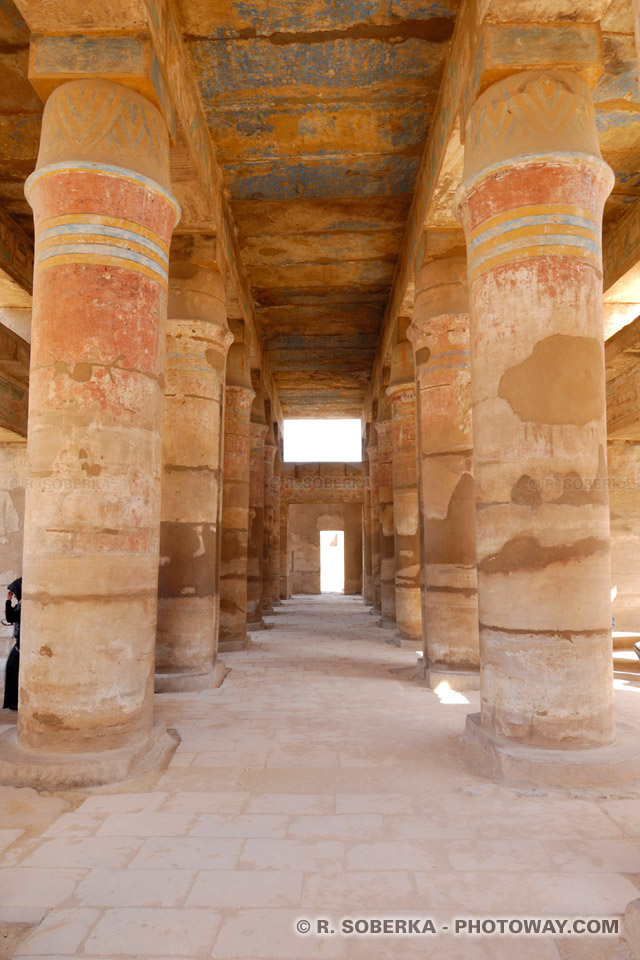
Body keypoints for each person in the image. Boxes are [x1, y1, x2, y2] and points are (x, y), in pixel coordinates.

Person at [3, 577, 21, 711]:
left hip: (21, 645)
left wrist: (8, 601)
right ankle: (12, 702)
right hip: (19, 643)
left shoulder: (23, 603)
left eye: (14, 592)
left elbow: (11, 616)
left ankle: (14, 702)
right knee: (11, 669)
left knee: (12, 669)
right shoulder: (22, 603)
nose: (13, 594)